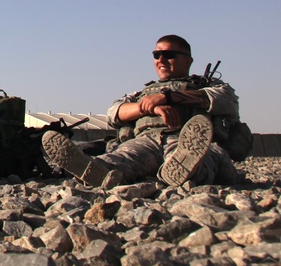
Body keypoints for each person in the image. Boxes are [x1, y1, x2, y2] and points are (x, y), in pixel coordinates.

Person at [43, 35, 246, 188]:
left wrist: (169, 97)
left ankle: (184, 171)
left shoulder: (209, 87)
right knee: (122, 159)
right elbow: (115, 112)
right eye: (157, 55)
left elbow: (223, 101)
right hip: (146, 141)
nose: (162, 60)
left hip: (186, 140)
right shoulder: (142, 93)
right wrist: (146, 106)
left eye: (169, 55)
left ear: (188, 61)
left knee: (202, 160)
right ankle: (94, 170)